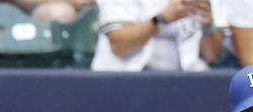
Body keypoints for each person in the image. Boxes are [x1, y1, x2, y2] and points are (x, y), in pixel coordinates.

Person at [91, 0, 224, 71]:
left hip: (186, 82)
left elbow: (209, 55)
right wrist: (161, 19)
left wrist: (207, 26)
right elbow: (120, 45)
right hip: (126, 83)